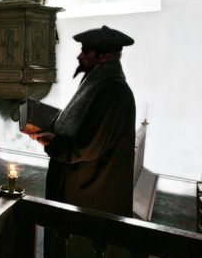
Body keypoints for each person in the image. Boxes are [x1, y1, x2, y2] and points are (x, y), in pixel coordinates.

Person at [31, 25, 136, 257]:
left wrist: (53, 142)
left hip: (91, 192)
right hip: (79, 182)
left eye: (86, 51)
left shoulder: (114, 92)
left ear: (105, 56)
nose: (80, 56)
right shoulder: (98, 81)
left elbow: (87, 146)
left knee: (77, 247)